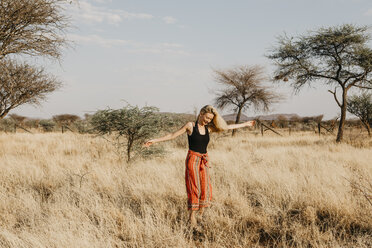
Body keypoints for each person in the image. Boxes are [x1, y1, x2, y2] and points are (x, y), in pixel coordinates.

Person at [143, 105, 255, 226]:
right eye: (207, 117)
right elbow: (172, 135)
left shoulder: (209, 128)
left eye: (210, 119)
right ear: (201, 113)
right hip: (193, 158)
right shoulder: (190, 126)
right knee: (194, 187)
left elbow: (227, 127)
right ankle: (192, 217)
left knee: (205, 187)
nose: (208, 120)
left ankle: (200, 215)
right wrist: (154, 140)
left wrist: (245, 124)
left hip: (204, 159)